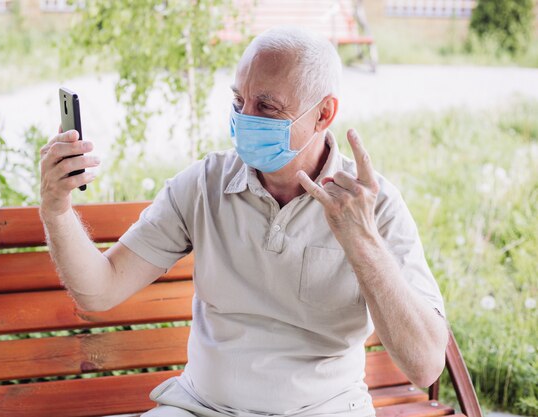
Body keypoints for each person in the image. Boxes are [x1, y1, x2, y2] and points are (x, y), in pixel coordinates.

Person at [39, 26, 448, 417]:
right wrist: (57, 208)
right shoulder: (204, 184)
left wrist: (364, 244)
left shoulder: (373, 206)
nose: (245, 119)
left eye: (267, 107)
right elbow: (99, 291)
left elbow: (426, 366)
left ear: (324, 113)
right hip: (200, 408)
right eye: (239, 102)